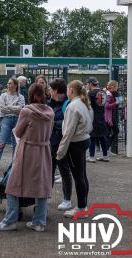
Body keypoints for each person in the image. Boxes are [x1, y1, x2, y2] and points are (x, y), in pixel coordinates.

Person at [0, 84, 54, 232]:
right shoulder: (50, 111)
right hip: (44, 149)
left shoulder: (27, 111)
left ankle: (10, 221)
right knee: (41, 186)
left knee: (13, 185)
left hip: (27, 150)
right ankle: (39, 222)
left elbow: (18, 132)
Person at [57, 80, 93, 218]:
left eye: (67, 90)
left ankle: (82, 208)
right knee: (82, 175)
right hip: (83, 140)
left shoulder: (73, 106)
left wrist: (60, 152)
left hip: (75, 143)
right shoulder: (83, 104)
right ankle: (83, 205)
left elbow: (68, 131)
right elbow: (89, 124)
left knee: (78, 176)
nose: (66, 92)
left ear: (71, 90)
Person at [48, 78, 73, 211]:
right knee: (49, 171)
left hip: (61, 144)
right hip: (51, 142)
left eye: (51, 89)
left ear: (56, 90)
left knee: (64, 171)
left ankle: (67, 199)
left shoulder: (67, 105)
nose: (49, 91)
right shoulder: (51, 103)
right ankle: (46, 196)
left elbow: (67, 124)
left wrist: (52, 124)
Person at [0, 78, 25, 170]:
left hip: (17, 120)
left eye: (10, 83)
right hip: (6, 119)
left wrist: (9, 107)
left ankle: (14, 166)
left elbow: (21, 109)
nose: (8, 85)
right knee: (1, 142)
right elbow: (2, 109)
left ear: (15, 85)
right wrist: (14, 108)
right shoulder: (3, 95)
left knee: (15, 144)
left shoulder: (21, 97)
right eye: (8, 83)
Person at [86, 77, 109, 162]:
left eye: (87, 84)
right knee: (102, 137)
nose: (87, 85)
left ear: (91, 84)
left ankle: (92, 157)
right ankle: (105, 155)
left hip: (93, 118)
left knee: (92, 137)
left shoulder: (90, 93)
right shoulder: (103, 92)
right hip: (102, 118)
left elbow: (87, 106)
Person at [105, 80, 119, 155]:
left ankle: (106, 149)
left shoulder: (112, 94)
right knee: (112, 131)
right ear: (113, 87)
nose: (117, 88)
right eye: (117, 86)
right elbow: (107, 106)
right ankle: (106, 150)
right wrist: (115, 103)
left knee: (114, 131)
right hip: (108, 116)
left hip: (110, 115)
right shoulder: (108, 95)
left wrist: (117, 102)